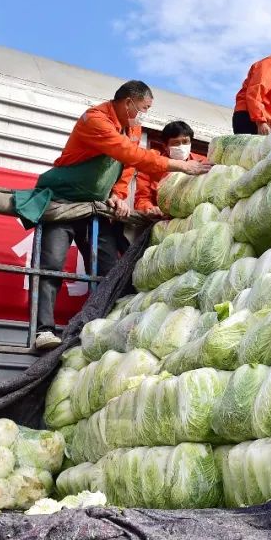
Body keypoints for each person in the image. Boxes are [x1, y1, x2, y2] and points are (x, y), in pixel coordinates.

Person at [13, 80, 210, 350]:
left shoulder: (133, 126)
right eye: (143, 108)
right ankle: (43, 331)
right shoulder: (94, 119)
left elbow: (127, 166)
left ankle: (103, 329)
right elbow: (126, 152)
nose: (144, 115)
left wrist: (117, 194)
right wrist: (178, 166)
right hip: (62, 203)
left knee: (109, 270)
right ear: (128, 101)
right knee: (51, 266)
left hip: (94, 208)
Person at [134, 120, 207, 215]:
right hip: (161, 220)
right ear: (165, 146)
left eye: (185, 142)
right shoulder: (150, 166)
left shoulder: (203, 163)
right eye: (176, 143)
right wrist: (150, 208)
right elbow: (142, 199)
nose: (181, 146)